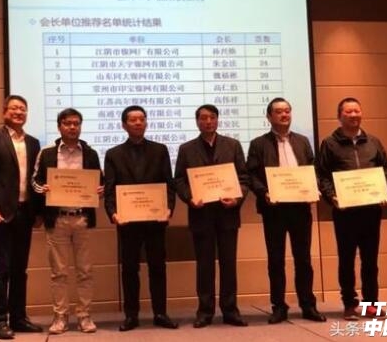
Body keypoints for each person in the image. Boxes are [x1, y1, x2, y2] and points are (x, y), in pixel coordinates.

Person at [246, 97, 326, 324]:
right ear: (269, 116)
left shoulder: (302, 141)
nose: (284, 115)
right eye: (279, 112)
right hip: (274, 209)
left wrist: (314, 187)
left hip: (300, 208)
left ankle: (308, 305)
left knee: (304, 259)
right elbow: (251, 174)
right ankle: (279, 306)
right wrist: (264, 192)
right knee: (276, 260)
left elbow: (313, 170)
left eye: (287, 111)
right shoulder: (258, 144)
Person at [316, 97, 387, 321]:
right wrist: (332, 196)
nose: (353, 115)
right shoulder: (329, 143)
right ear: (339, 116)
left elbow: (386, 169)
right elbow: (322, 174)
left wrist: (385, 190)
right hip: (345, 211)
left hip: (371, 210)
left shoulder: (373, 142)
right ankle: (349, 303)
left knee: (370, 260)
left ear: (361, 113)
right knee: (346, 259)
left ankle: (371, 303)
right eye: (348, 112)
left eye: (356, 111)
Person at [104, 105, 178, 331]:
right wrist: (113, 213)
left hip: (155, 220)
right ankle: (131, 315)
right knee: (129, 269)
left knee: (158, 268)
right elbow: (109, 190)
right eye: (133, 120)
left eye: (141, 119)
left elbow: (169, 185)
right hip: (127, 222)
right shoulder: (113, 154)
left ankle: (160, 313)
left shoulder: (160, 150)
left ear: (146, 123)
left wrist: (168, 209)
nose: (138, 123)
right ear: (123, 125)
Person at [174, 104, 249, 328]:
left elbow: (243, 178)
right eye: (204, 118)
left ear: (217, 120)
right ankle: (205, 311)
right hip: (201, 214)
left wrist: (237, 198)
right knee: (204, 265)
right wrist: (190, 198)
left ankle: (230, 310)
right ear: (197, 121)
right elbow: (179, 180)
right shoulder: (186, 149)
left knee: (228, 264)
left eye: (212, 117)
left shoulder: (232, 145)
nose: (208, 121)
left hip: (227, 214)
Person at [31, 108, 103, 334]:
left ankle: (84, 316)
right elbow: (34, 181)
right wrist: (43, 189)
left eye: (76, 123)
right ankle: (60, 317)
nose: (72, 127)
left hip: (82, 218)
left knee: (85, 271)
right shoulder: (47, 153)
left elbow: (100, 182)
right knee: (59, 272)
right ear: (59, 126)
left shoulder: (90, 153)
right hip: (58, 219)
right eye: (67, 123)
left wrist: (100, 190)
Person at [0, 95, 43, 340]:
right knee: (2, 267)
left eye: (23, 109)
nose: (19, 112)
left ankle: (18, 318)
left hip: (25, 212)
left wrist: (38, 212)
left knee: (20, 268)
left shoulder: (33, 142)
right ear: (4, 111)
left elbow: (36, 180)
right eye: (14, 108)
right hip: (1, 213)